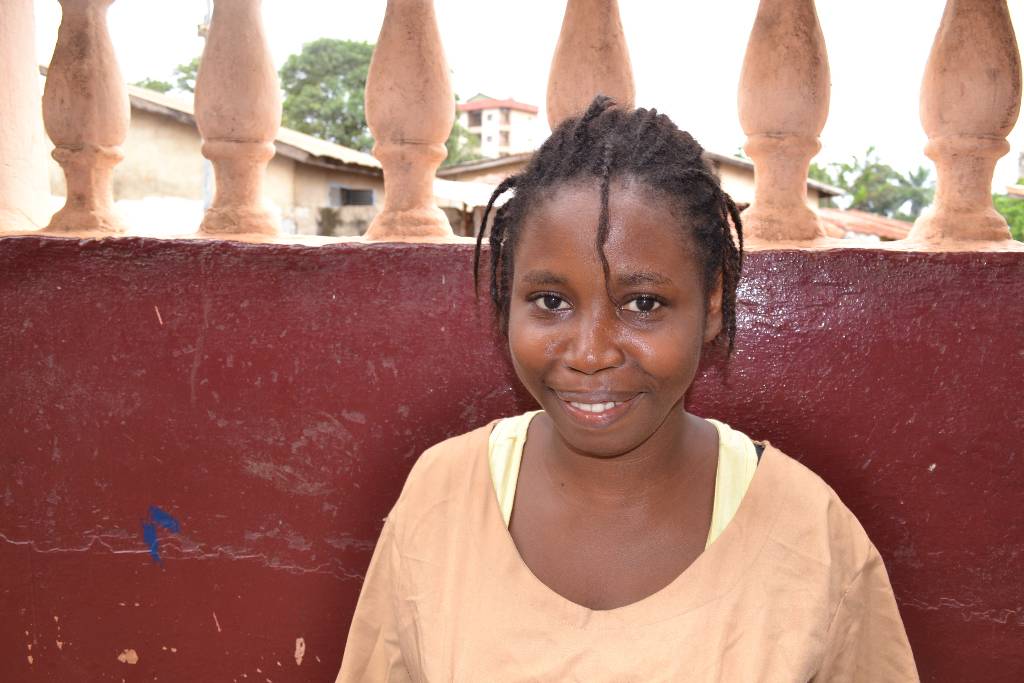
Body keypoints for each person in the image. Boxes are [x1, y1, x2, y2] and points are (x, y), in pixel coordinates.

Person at [336, 96, 918, 682]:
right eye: (550, 301)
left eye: (643, 304)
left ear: (713, 305)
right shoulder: (440, 498)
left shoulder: (810, 535)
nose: (590, 354)